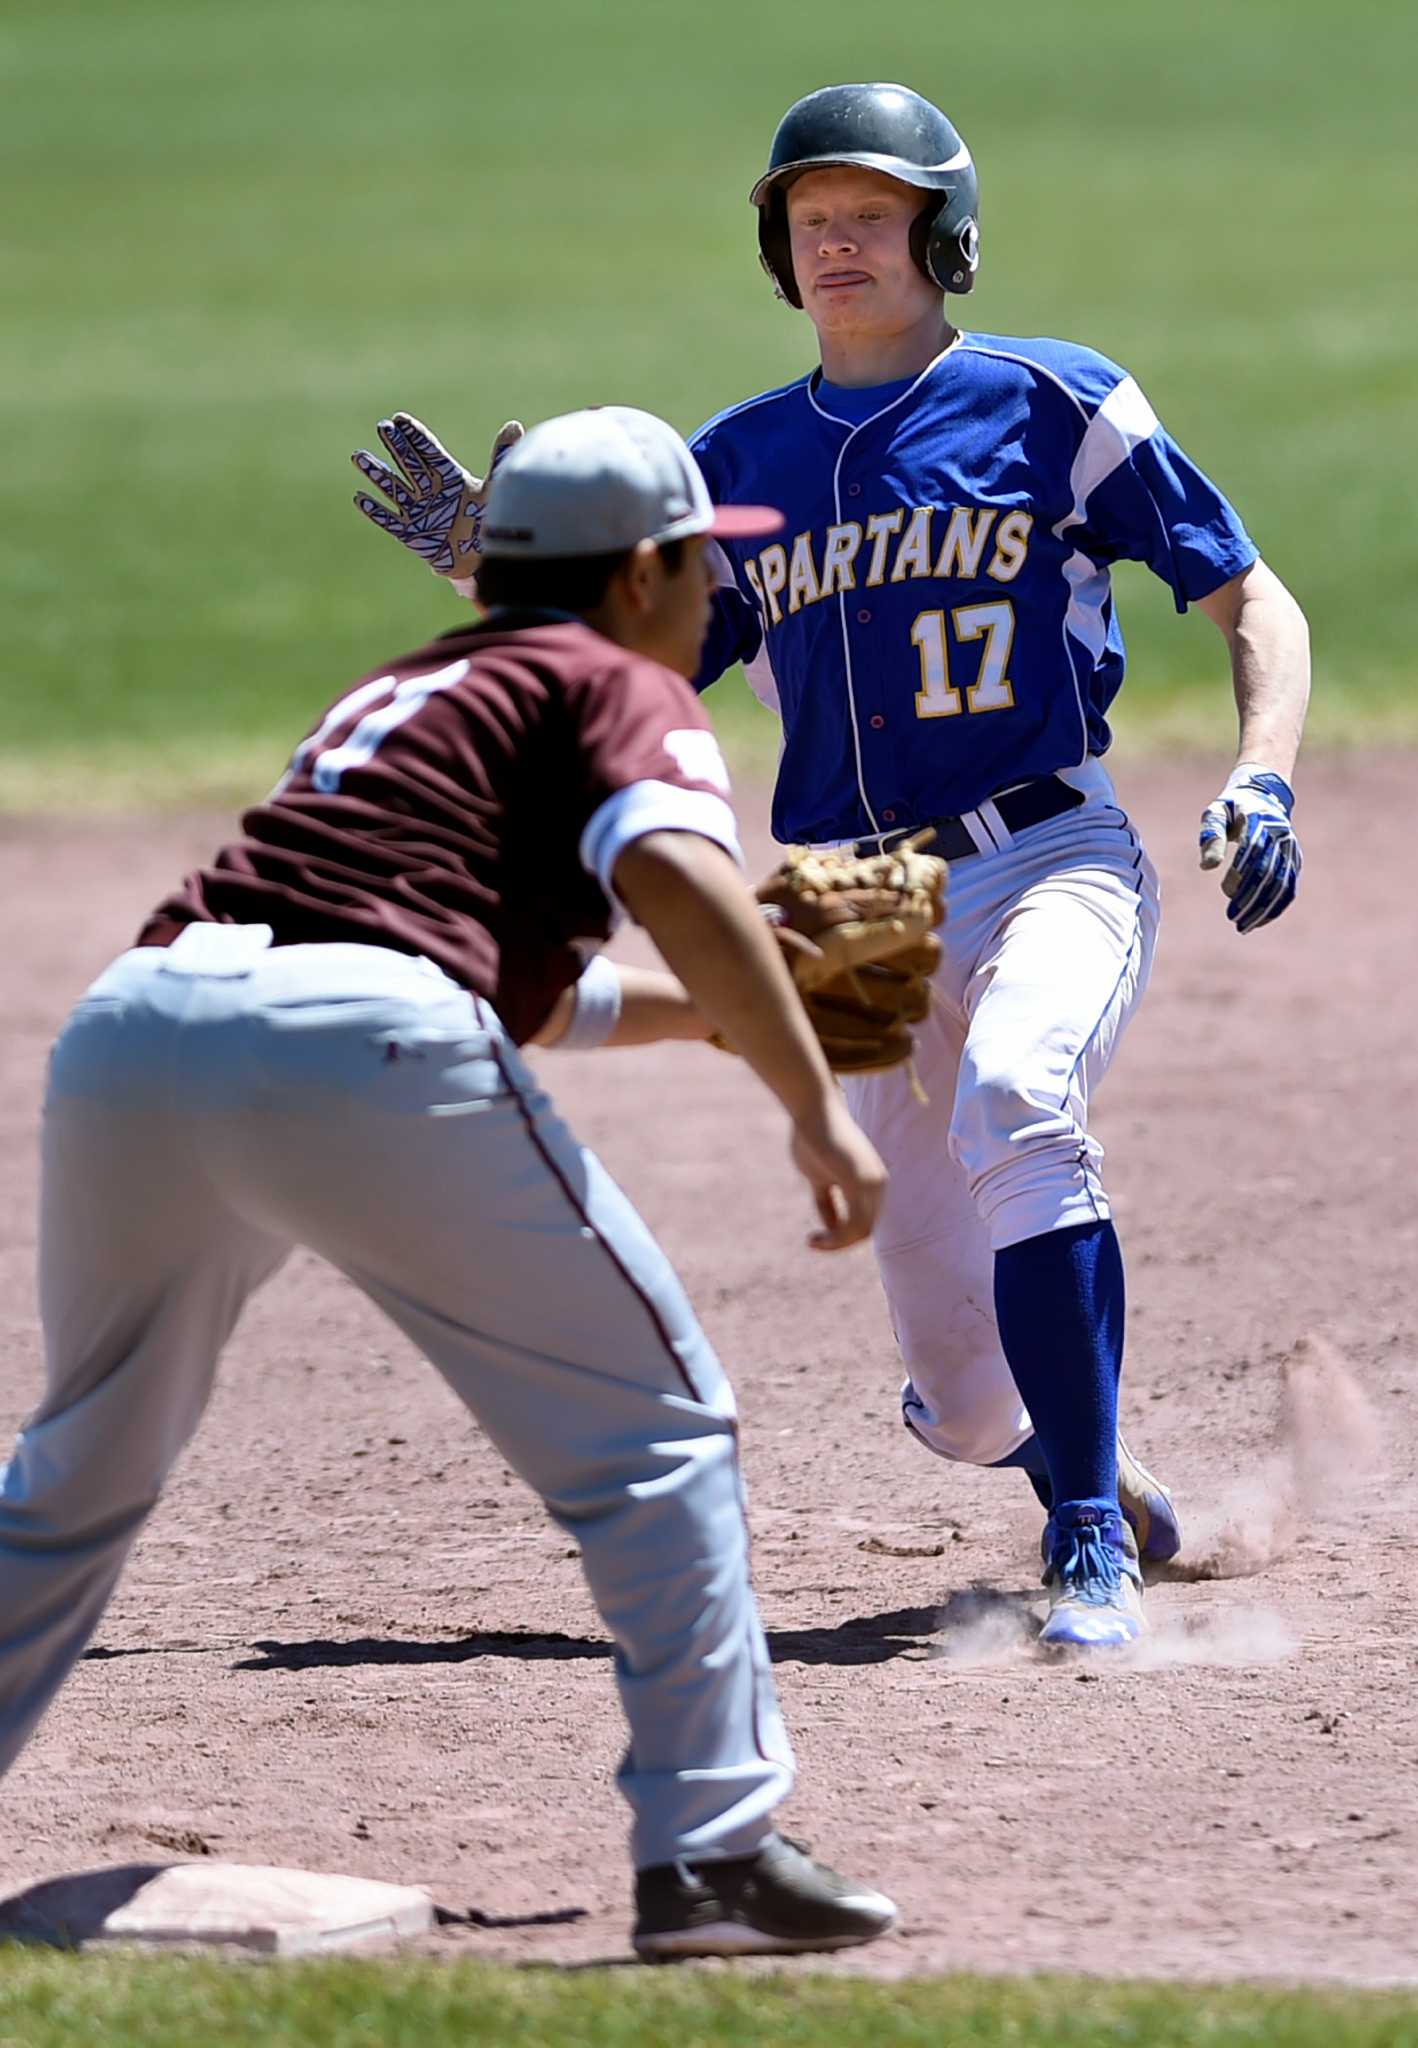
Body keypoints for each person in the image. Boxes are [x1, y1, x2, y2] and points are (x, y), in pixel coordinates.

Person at [356, 86, 1312, 1651]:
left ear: (944, 235)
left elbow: (1250, 601)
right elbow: (631, 673)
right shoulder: (732, 461)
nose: (836, 242)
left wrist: (1259, 774)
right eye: (808, 220)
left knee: (1020, 1094)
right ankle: (1095, 1476)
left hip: (1047, 847)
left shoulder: (1054, 403)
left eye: (870, 214)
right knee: (953, 1393)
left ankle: (1085, 1542)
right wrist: (508, 576)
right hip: (853, 905)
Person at [0, 407, 900, 1960]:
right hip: (360, 1043)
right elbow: (677, 879)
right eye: (698, 568)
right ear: (637, 576)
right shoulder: (622, 682)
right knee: (657, 1434)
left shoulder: (406, 684)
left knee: (79, 1467)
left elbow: (522, 996)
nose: (707, 601)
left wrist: (726, 1009)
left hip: (139, 1028)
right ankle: (709, 1855)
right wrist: (811, 1102)